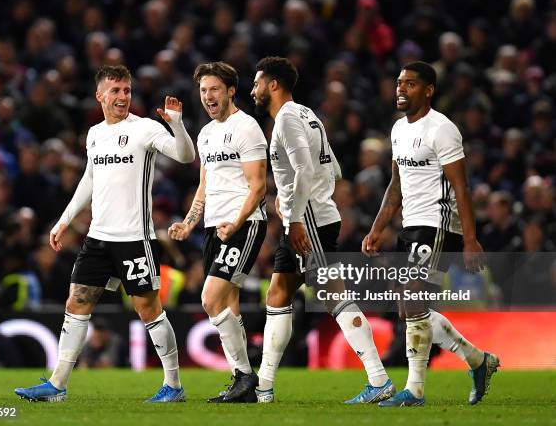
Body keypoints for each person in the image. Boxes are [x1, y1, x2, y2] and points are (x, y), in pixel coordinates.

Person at [14, 65, 195, 403]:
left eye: (126, 90)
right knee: (77, 302)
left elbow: (186, 156)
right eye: (115, 91)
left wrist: (177, 124)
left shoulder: (144, 129)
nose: (122, 97)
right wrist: (64, 221)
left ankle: (174, 385)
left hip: (134, 239)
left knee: (148, 309)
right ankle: (58, 385)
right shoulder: (94, 134)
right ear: (100, 95)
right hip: (98, 238)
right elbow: (89, 180)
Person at [250, 56, 395, 404]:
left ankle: (379, 379)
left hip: (308, 220)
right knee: (278, 295)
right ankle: (263, 387)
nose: (253, 90)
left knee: (333, 295)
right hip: (307, 216)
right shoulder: (308, 115)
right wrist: (295, 203)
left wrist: (296, 212)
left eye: (257, 83)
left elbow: (303, 171)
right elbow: (336, 169)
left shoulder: (285, 119)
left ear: (273, 84)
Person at [362, 61, 499, 407]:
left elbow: (461, 187)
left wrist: (470, 239)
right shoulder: (397, 130)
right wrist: (378, 228)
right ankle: (478, 360)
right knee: (409, 309)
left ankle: (415, 391)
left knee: (412, 301)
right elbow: (396, 185)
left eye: (410, 84)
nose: (400, 89)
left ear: (428, 90)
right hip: (411, 226)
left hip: (438, 225)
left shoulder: (442, 129)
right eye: (398, 83)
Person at [168, 62, 267, 403]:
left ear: (230, 91)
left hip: (245, 224)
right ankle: (244, 385)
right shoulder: (207, 133)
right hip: (215, 226)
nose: (207, 96)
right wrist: (189, 221)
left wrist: (237, 223)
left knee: (210, 299)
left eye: (213, 89)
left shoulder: (247, 128)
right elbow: (205, 186)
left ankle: (245, 376)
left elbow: (258, 187)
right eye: (203, 90)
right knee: (229, 305)